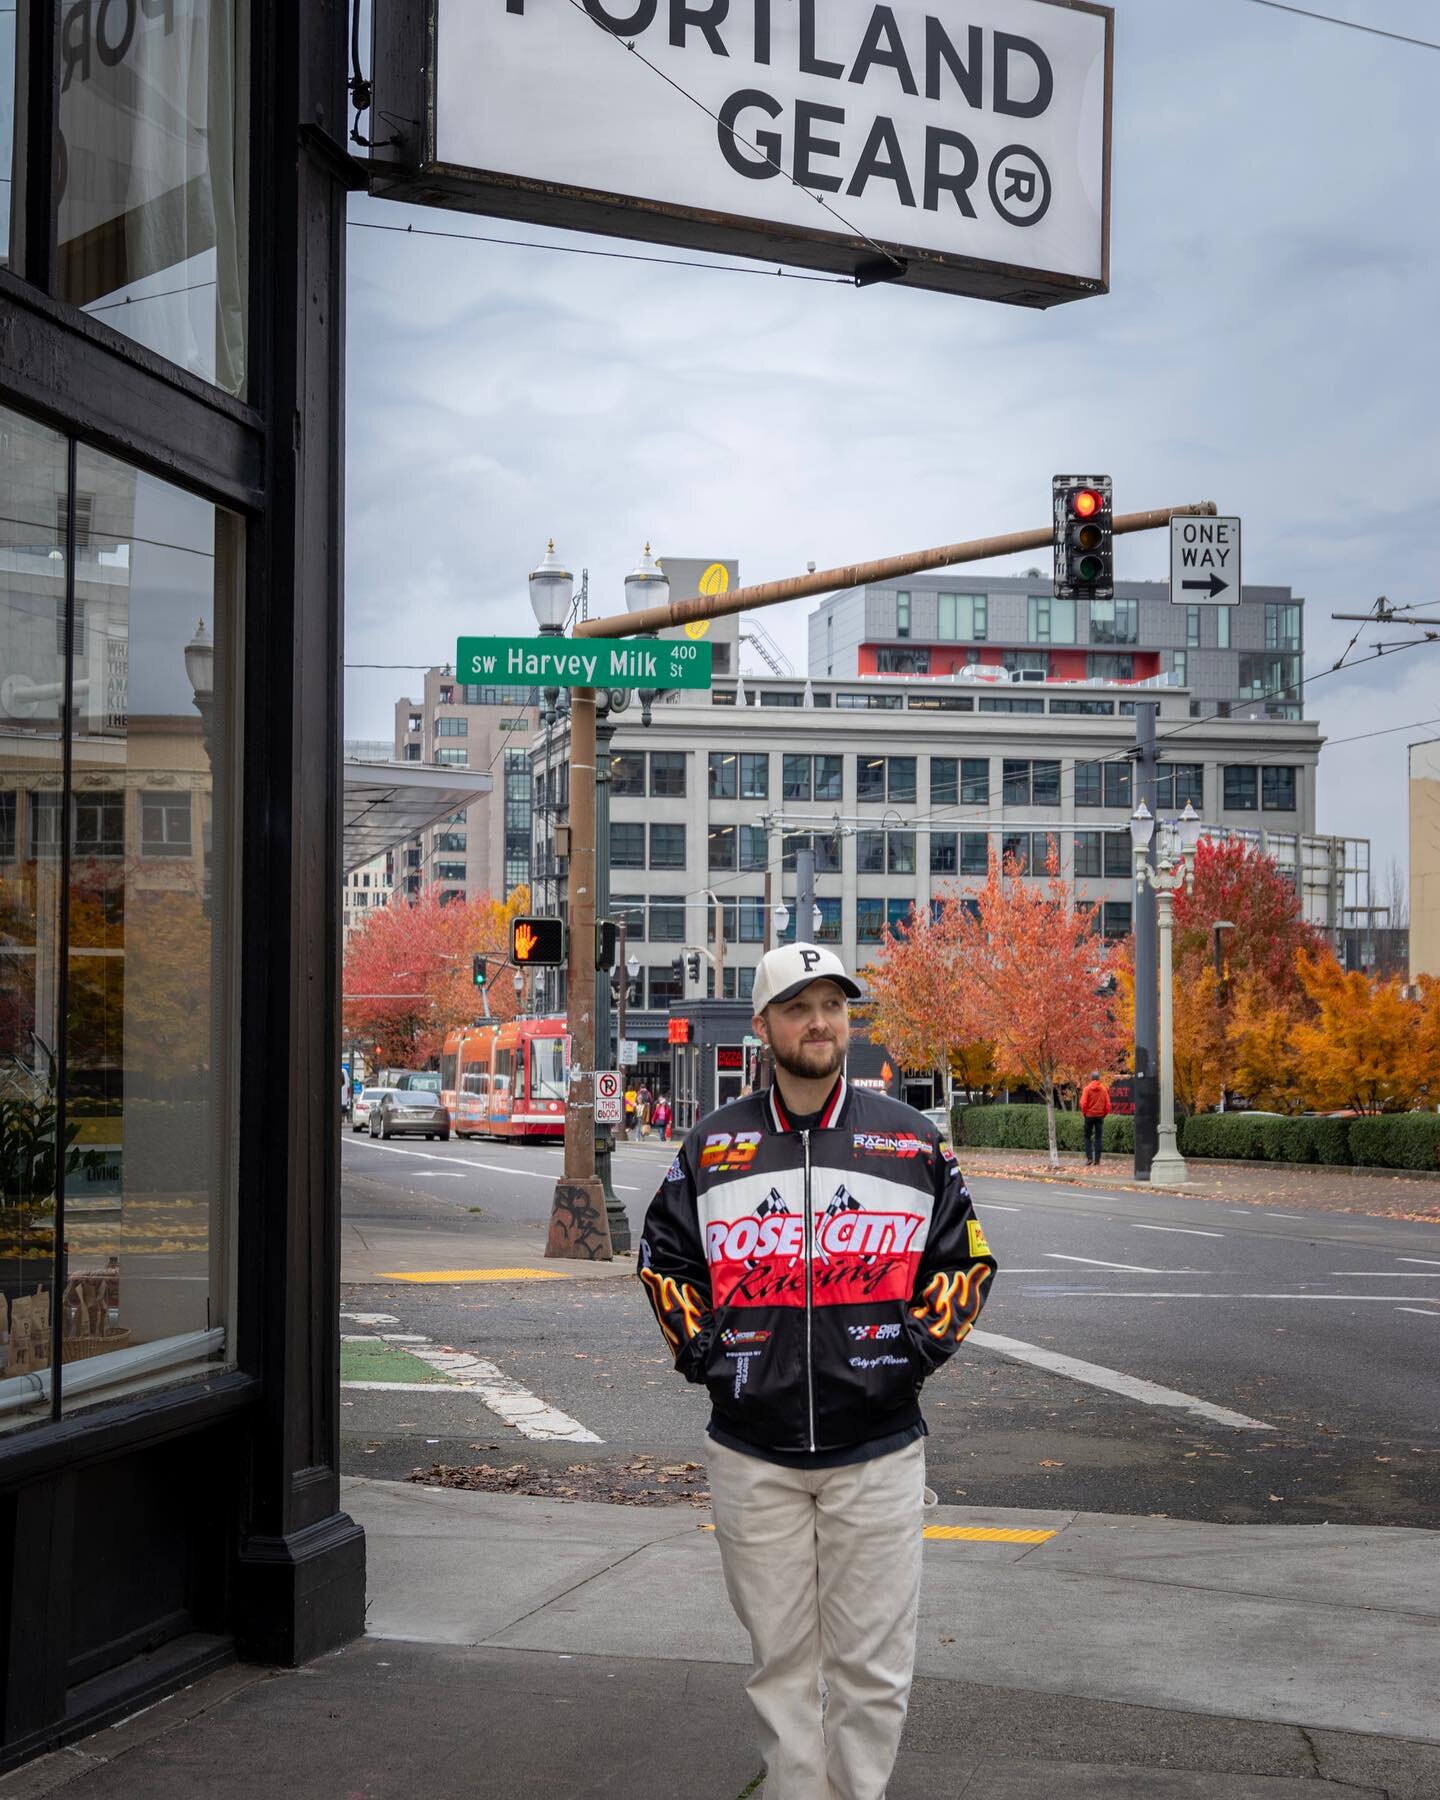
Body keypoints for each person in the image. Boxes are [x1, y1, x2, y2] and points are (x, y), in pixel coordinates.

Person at [638, 943, 997, 1800]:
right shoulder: (713, 1146)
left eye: (833, 1006)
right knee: (781, 1665)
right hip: (752, 1453)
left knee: (874, 1670)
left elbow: (966, 1263)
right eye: (798, 1008)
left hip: (876, 1449)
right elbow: (664, 1261)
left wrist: (903, 1358)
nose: (820, 1022)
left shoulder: (908, 1143)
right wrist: (710, 1357)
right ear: (764, 1027)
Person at [1079, 1070, 1111, 1166]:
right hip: (1099, 1116)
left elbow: (1083, 1103)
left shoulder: (1087, 1089)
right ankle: (1097, 1160)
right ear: (1099, 1078)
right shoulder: (1104, 1089)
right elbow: (1108, 1105)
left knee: (1087, 1137)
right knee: (1098, 1138)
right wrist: (1103, 1114)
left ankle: (1089, 1158)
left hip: (1089, 1116)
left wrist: (1085, 1113)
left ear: (1091, 1078)